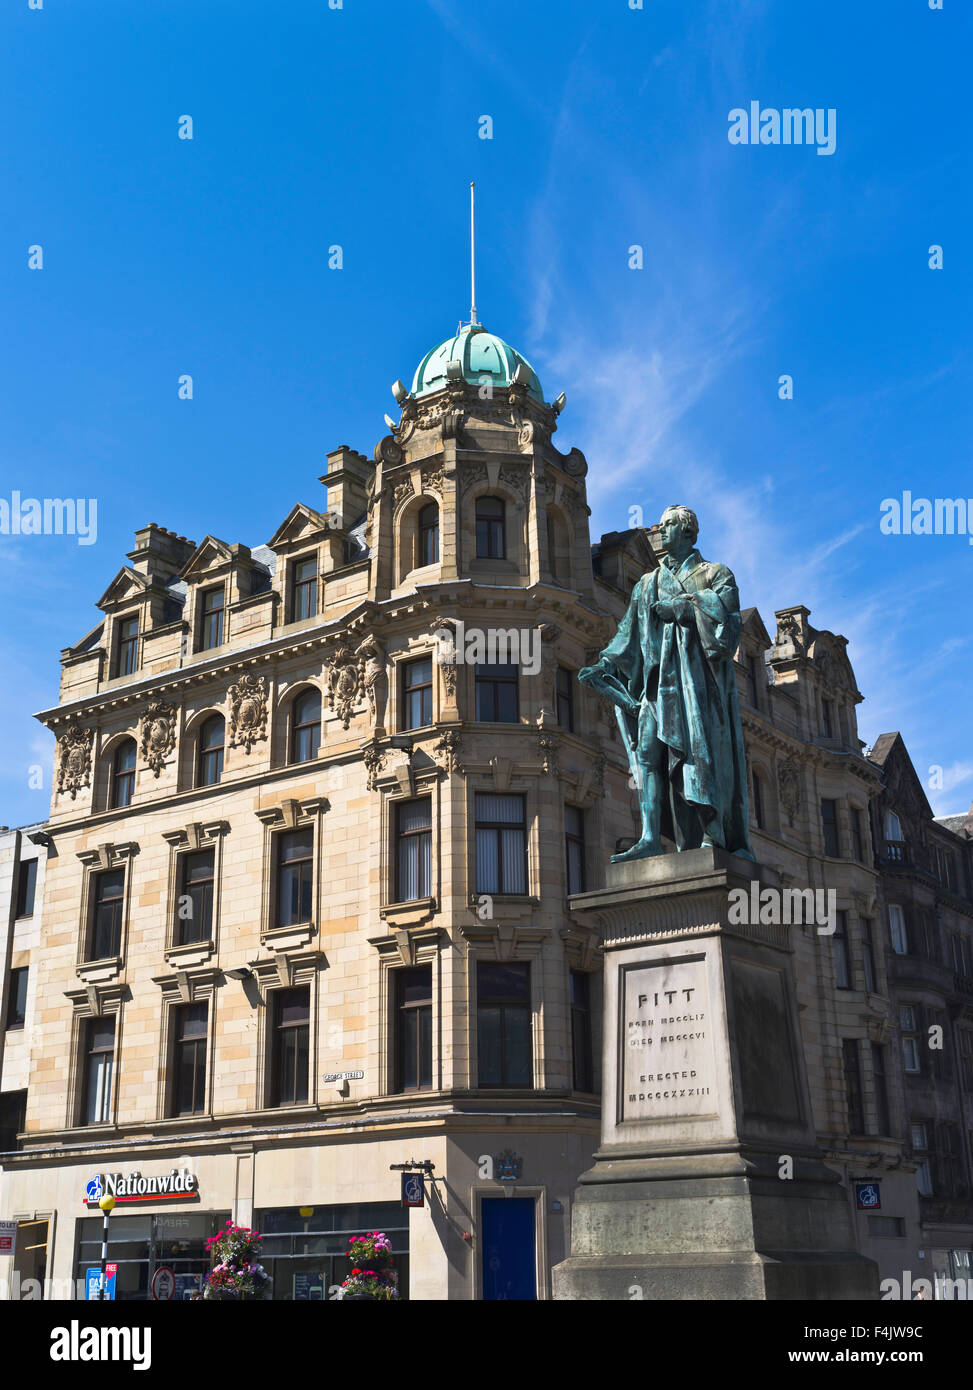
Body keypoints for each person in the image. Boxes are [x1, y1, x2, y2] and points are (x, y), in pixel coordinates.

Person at [579, 505, 753, 862]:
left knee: (698, 757)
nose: (662, 531)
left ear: (688, 532)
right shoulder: (647, 584)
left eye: (670, 525)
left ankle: (712, 834)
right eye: (661, 525)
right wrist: (605, 664)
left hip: (697, 690)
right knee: (647, 756)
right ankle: (650, 838)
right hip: (656, 688)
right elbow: (627, 635)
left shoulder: (715, 574)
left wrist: (686, 608)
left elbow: (729, 629)